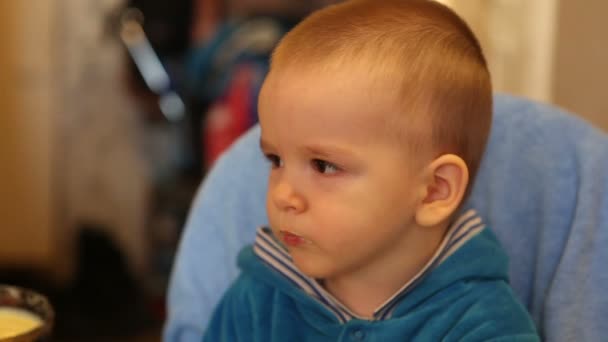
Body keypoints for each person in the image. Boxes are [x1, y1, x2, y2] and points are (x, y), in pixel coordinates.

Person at [200, 0, 539, 340]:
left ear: (435, 189)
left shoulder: (485, 326)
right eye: (276, 161)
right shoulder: (257, 301)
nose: (284, 195)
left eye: (324, 166)